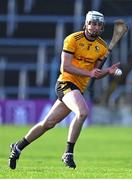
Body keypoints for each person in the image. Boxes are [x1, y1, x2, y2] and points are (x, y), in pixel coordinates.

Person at [8, 10, 120, 169]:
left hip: (78, 89)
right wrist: (89, 72)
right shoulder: (73, 39)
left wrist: (107, 71)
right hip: (65, 83)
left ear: (102, 27)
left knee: (48, 123)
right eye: (92, 23)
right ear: (86, 24)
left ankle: (17, 147)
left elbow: (95, 74)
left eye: (98, 24)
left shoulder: (101, 47)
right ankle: (68, 153)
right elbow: (64, 67)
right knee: (83, 112)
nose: (94, 27)